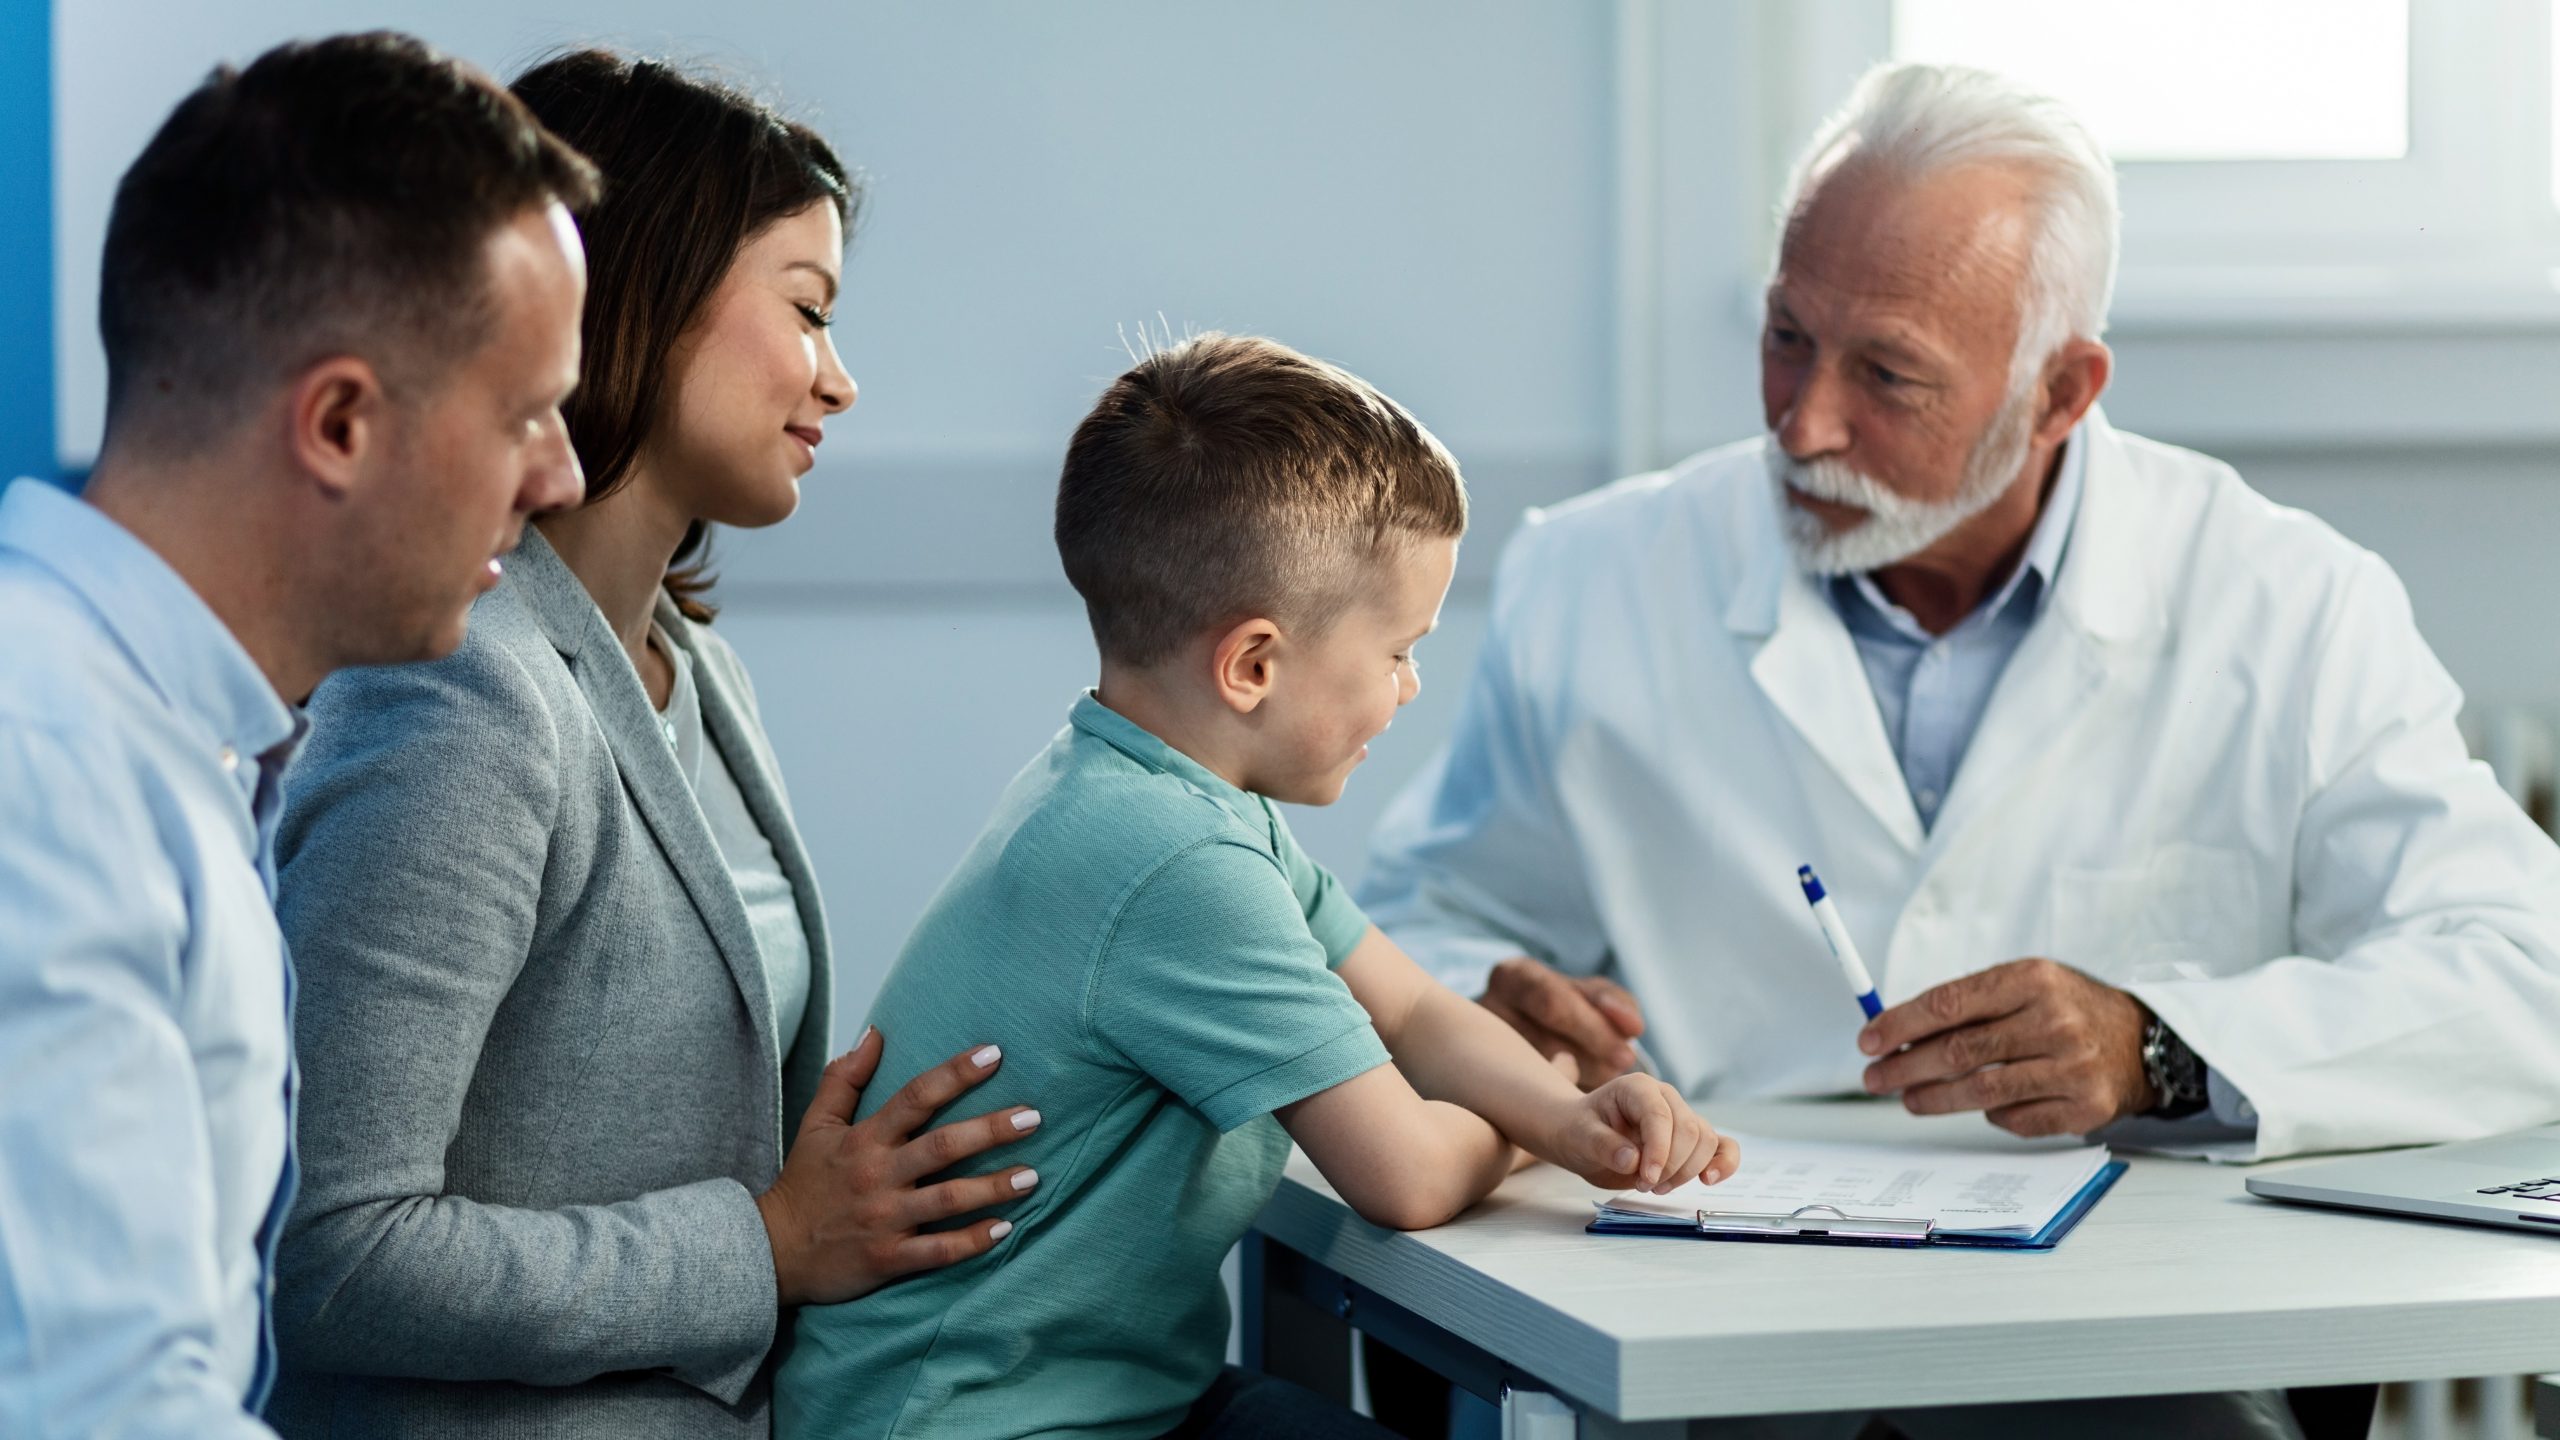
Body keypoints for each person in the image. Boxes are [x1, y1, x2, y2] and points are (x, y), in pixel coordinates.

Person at [1359, 61, 2560, 1438]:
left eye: (1888, 376)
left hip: (2124, 1344)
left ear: (2062, 391)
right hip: (1704, 1323)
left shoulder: (2288, 603)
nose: (1803, 424)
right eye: (1785, 338)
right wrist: (1483, 1017)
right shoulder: (1595, 576)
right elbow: (1420, 926)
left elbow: (2526, 969)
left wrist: (2160, 1047)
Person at [774, 333, 1734, 1440]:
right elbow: (1408, 1176)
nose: (1411, 686)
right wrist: (1542, 1123)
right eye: (1398, 651)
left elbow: (1413, 1007)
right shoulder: (1171, 864)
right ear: (1253, 666)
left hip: (1103, 1400)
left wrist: (1567, 1110)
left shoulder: (1154, 793)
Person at [268, 53, 1031, 1439]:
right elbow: (334, 1256)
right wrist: (769, 1244)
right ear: (640, 294)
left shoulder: (707, 683)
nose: (840, 381)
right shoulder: (461, 701)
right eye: (808, 310)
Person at [0, 32, 594, 1439]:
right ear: (337, 422)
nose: (558, 474)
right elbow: (104, 1410)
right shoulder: (50, 763)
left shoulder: (160, 737)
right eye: (525, 413)